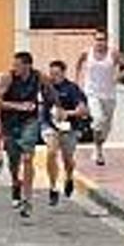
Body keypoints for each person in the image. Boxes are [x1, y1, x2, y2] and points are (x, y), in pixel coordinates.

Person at [0, 51, 53, 217]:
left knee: (28, 157)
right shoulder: (7, 78)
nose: (14, 68)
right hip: (10, 122)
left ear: (27, 65)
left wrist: (58, 109)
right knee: (14, 160)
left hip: (30, 121)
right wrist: (18, 106)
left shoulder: (39, 77)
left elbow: (50, 93)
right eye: (13, 65)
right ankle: (16, 182)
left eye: (17, 65)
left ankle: (27, 198)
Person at [75, 28, 124, 166]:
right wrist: (78, 82)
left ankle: (99, 145)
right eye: (98, 39)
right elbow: (78, 65)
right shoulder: (86, 53)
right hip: (92, 93)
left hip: (109, 95)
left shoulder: (113, 54)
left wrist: (117, 78)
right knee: (98, 119)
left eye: (103, 39)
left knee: (107, 127)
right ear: (94, 40)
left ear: (107, 41)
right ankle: (98, 151)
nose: (100, 42)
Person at [41, 60, 87, 207]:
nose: (53, 76)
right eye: (51, 73)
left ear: (63, 73)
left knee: (68, 159)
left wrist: (67, 113)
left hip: (69, 128)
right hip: (49, 125)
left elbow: (82, 110)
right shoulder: (45, 88)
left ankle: (69, 177)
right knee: (51, 152)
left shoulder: (72, 88)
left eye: (56, 74)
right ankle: (53, 187)